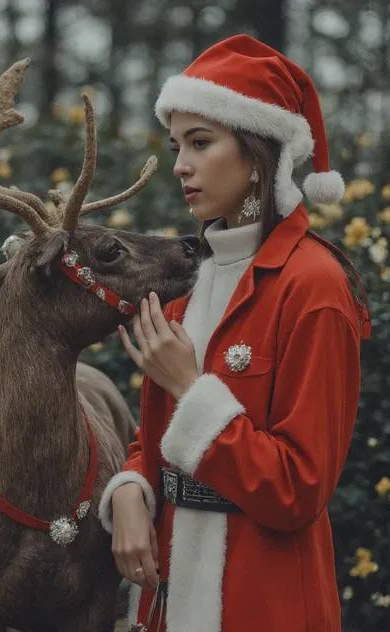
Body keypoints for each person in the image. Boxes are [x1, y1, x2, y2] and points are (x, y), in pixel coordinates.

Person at [98, 34, 371, 632]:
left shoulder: (315, 287)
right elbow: (153, 442)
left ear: (257, 153)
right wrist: (128, 492)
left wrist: (191, 388)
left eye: (200, 142)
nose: (180, 165)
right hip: (167, 600)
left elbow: (298, 490)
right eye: (176, 145)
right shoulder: (185, 282)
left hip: (266, 601)